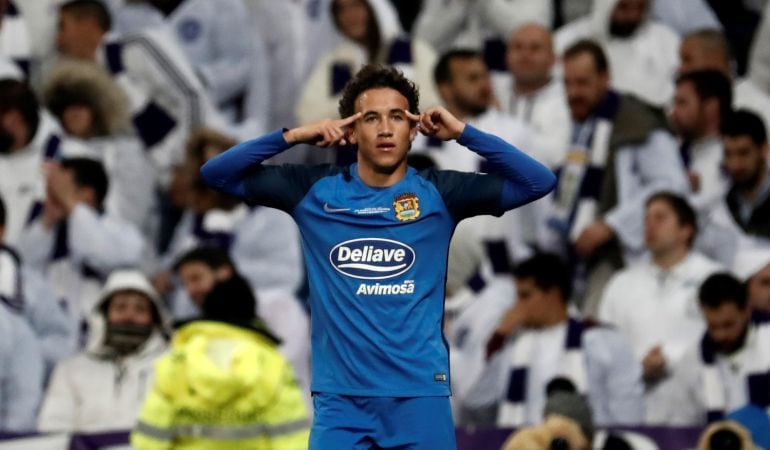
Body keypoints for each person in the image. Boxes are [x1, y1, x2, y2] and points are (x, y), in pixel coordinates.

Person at [200, 64, 556, 449]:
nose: (385, 129)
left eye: (397, 117)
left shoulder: (441, 192)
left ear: (414, 129)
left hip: (420, 398)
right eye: (371, 118)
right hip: (341, 402)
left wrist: (464, 134)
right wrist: (293, 136)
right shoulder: (312, 190)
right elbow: (215, 174)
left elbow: (539, 181)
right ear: (350, 131)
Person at [537, 40, 688, 316]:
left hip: (624, 256)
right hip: (577, 257)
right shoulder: (579, 126)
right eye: (568, 84)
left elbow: (672, 186)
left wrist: (611, 225)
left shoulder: (638, 122)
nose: (574, 93)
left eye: (582, 83)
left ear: (606, 79)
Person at [464, 254, 644, 428]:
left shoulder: (604, 341)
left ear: (553, 294)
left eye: (525, 296)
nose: (517, 307)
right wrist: (499, 336)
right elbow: (476, 403)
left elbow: (627, 414)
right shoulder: (513, 348)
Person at [131, 276, 310, 449]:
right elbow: (292, 437)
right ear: (251, 314)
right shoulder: (271, 364)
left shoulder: (177, 362)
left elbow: (150, 439)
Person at [598, 191, 722, 423]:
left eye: (660, 218)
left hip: (698, 405)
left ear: (687, 229)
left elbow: (725, 338)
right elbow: (606, 350)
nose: (650, 225)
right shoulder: (621, 283)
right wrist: (637, 368)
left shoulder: (712, 277)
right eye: (646, 219)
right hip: (635, 409)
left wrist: (674, 361)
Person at [172, 246, 311, 407]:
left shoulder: (278, 303)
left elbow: (290, 357)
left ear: (224, 272)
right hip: (238, 420)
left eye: (196, 278)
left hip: (291, 415)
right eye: (185, 284)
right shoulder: (198, 326)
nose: (191, 290)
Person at [37, 269, 170, 432]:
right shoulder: (71, 370)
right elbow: (53, 429)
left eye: (140, 309)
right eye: (120, 307)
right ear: (104, 316)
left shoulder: (173, 366)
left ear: (154, 319)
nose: (129, 316)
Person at [658, 273, 770, 426]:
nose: (720, 335)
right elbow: (681, 425)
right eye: (713, 326)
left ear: (747, 311)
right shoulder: (692, 361)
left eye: (728, 325)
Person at [554, 0, 680, 106]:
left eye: (640, 8)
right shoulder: (568, 39)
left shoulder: (665, 40)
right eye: (624, 7)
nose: (632, 15)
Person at [496, 23, 570, 170]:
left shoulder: (567, 98)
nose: (525, 55)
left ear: (554, 58)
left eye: (535, 48)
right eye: (518, 47)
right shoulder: (491, 89)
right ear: (506, 55)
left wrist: (497, 120)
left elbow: (556, 157)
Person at [671, 70, 733, 211]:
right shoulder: (671, 148)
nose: (674, 112)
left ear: (711, 107)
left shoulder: (732, 157)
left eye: (682, 103)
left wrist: (693, 196)